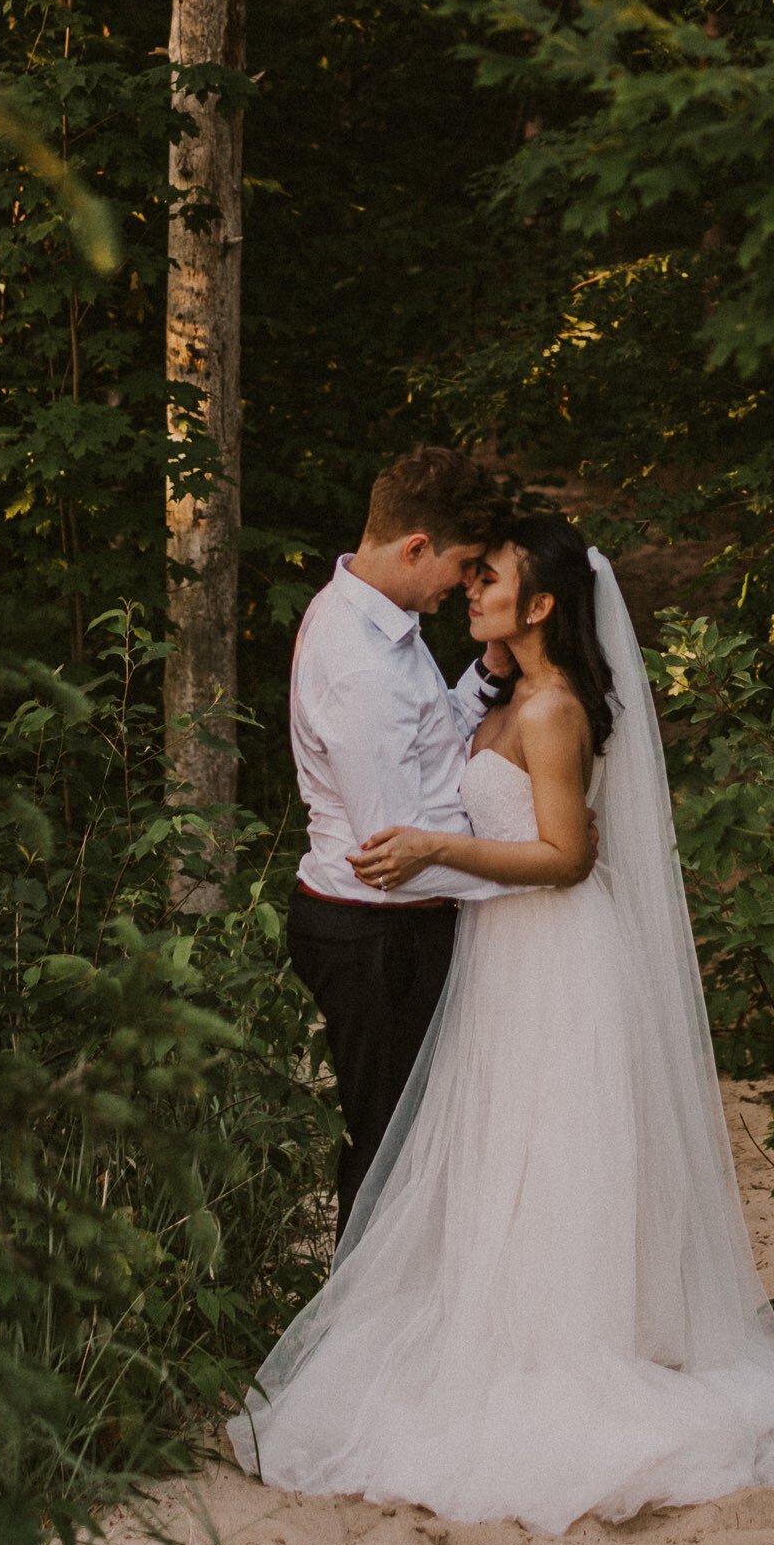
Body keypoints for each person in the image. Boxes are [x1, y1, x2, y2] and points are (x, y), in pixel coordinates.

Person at [234, 512, 774, 1534]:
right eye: (469, 577)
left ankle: (567, 1340)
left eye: (492, 579)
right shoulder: (506, 691)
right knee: (501, 1152)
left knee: (552, 1150)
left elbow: (566, 854)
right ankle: (502, 1327)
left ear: (543, 603)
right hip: (505, 951)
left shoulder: (553, 707)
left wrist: (441, 844)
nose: (470, 589)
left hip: (555, 948)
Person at [284, 444, 524, 1236]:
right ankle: (359, 1342)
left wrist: (488, 672)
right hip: (377, 935)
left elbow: (432, 748)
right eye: (459, 566)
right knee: (391, 1149)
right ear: (416, 547)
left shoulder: (383, 622)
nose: (463, 585)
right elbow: (397, 855)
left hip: (392, 925)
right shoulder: (358, 661)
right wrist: (535, 873)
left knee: (418, 1143)